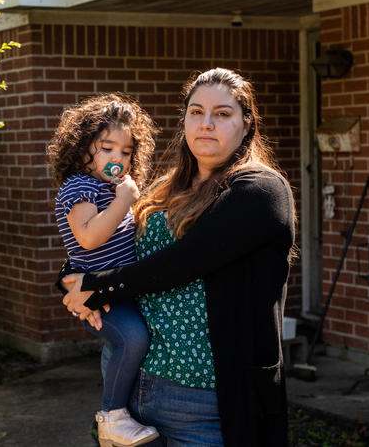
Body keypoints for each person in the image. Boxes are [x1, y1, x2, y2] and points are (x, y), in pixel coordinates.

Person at [61, 68, 296, 447]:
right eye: (195, 111)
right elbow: (111, 246)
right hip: (133, 388)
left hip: (204, 401)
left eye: (222, 114)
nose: (206, 123)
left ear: (247, 124)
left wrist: (99, 287)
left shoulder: (261, 190)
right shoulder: (165, 190)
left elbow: (185, 261)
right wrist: (75, 282)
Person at [48, 93, 160, 447]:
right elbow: (89, 238)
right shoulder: (80, 187)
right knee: (134, 339)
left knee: (135, 341)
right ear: (83, 149)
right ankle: (111, 416)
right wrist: (124, 200)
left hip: (119, 290)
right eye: (107, 148)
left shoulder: (109, 188)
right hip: (103, 296)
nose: (117, 158)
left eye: (126, 152)